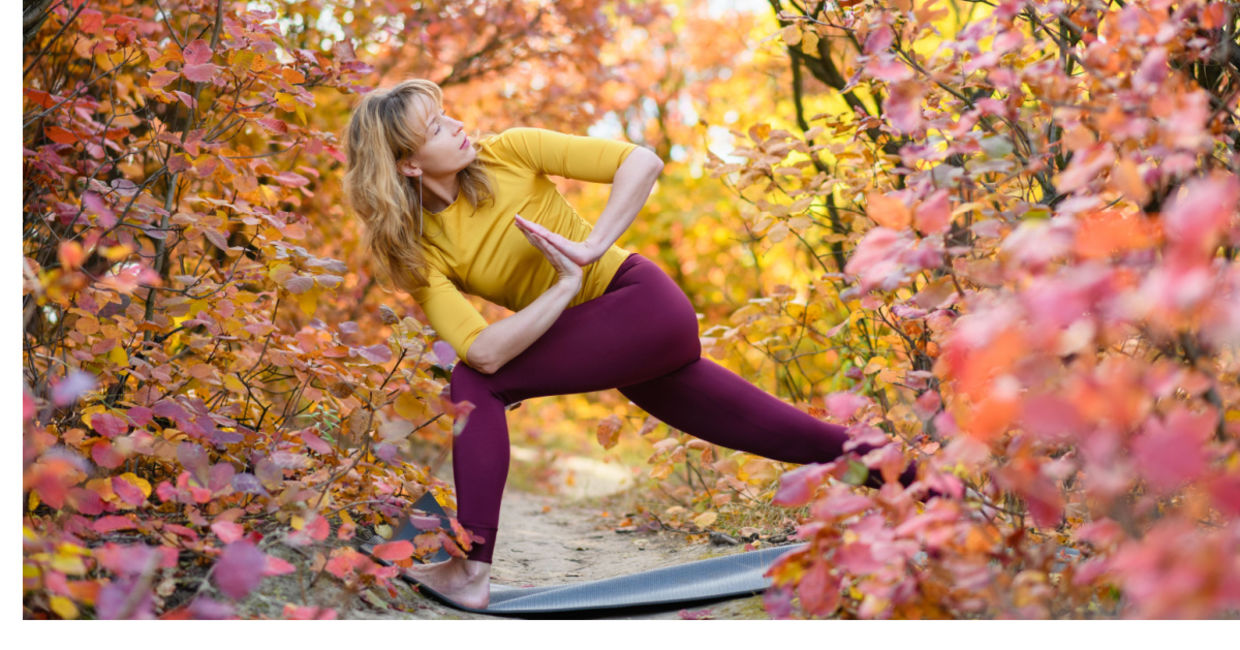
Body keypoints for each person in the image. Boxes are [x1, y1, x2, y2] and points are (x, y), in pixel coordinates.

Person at [342, 79, 921, 608]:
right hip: (613, 340)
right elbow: (483, 348)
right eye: (436, 126)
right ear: (409, 163)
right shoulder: (417, 250)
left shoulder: (510, 151)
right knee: (787, 434)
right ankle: (934, 490)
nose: (458, 125)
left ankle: (472, 569)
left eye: (448, 113)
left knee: (473, 385)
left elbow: (641, 161)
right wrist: (564, 286)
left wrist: (590, 248)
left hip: (641, 303)